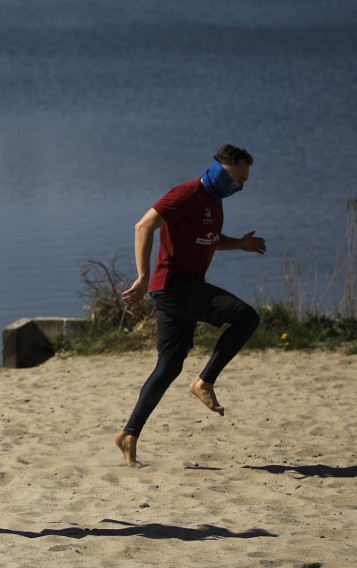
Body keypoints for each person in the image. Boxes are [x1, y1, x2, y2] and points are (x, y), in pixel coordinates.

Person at [114, 144, 266, 466]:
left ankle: (129, 434)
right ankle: (204, 380)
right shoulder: (186, 194)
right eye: (236, 178)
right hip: (175, 287)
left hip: (176, 292)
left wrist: (240, 244)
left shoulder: (214, 202)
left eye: (243, 182)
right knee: (246, 318)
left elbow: (209, 238)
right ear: (219, 168)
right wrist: (142, 276)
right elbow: (143, 226)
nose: (238, 186)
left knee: (169, 367)